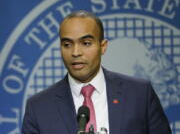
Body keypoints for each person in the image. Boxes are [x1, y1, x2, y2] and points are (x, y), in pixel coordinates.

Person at [22, 10, 172, 134]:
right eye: (67, 44)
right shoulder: (38, 107)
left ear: (103, 46)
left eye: (86, 43)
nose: (76, 52)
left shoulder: (139, 94)